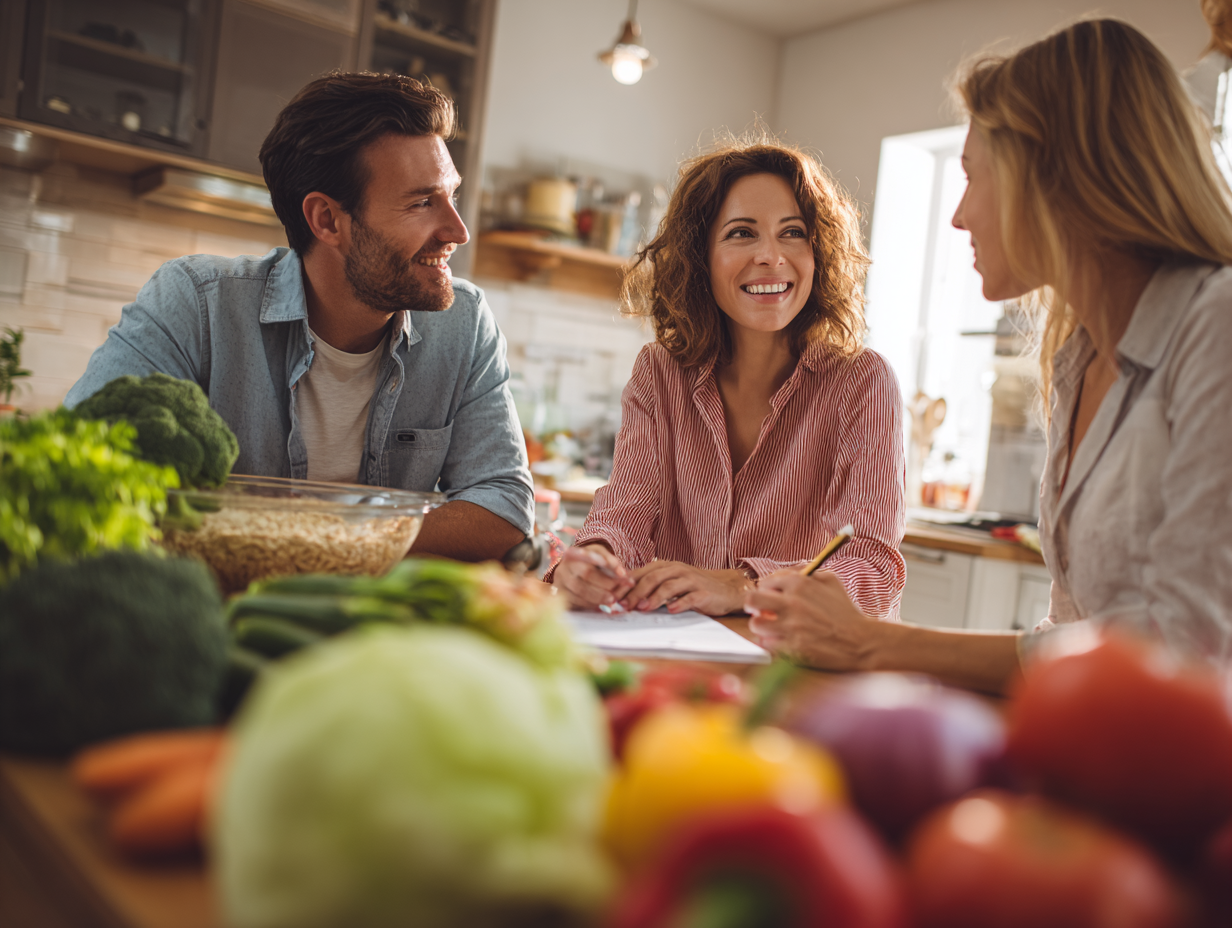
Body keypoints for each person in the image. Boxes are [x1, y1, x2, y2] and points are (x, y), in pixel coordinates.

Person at [745, 18, 1232, 691]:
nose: (959, 215)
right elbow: (1072, 634)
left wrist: (876, 644)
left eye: (973, 176)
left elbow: (1184, 648)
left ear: (1055, 175)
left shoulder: (1218, 321)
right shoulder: (1077, 359)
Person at [65, 73, 533, 562]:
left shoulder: (465, 322)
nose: (458, 231)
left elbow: (502, 504)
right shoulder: (197, 304)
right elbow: (78, 469)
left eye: (451, 196)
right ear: (327, 220)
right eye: (421, 202)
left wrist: (320, 538)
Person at [551, 140, 906, 619]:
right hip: (683, 655)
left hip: (803, 664)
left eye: (793, 233)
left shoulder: (863, 382)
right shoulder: (659, 372)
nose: (771, 256)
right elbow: (625, 516)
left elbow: (871, 568)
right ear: (701, 257)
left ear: (818, 252)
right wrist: (595, 559)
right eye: (742, 233)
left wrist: (743, 586)